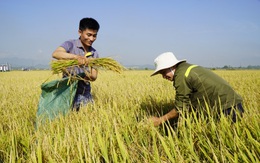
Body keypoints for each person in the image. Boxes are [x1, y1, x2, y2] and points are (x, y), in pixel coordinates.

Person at [149, 52, 244, 127]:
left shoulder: (181, 76)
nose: (163, 76)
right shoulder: (188, 68)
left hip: (226, 109)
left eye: (164, 72)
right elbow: (191, 100)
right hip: (233, 104)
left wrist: (160, 120)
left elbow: (180, 108)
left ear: (172, 66)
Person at [52, 17, 100, 111]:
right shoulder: (70, 44)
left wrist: (85, 72)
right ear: (80, 32)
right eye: (89, 35)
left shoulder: (94, 53)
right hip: (67, 93)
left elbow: (94, 76)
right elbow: (56, 54)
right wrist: (76, 57)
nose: (91, 39)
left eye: (94, 36)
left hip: (85, 95)